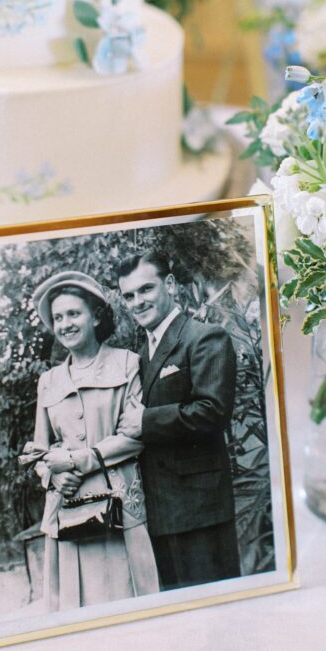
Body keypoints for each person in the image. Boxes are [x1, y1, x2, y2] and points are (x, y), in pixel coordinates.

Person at [27, 270, 159, 611]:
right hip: (67, 510)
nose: (65, 324)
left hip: (119, 508)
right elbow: (39, 450)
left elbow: (135, 434)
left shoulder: (128, 363)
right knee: (74, 608)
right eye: (58, 317)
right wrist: (52, 474)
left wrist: (75, 460)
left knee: (127, 602)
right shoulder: (48, 381)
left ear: (96, 315)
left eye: (74, 313)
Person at [117, 250, 240, 590]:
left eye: (146, 289)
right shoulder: (140, 356)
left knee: (217, 616)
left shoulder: (204, 337)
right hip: (157, 514)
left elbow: (213, 411)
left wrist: (147, 421)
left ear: (169, 284)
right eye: (129, 295)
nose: (138, 302)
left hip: (200, 512)